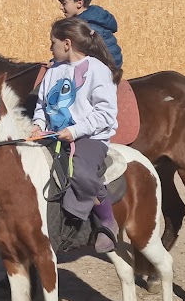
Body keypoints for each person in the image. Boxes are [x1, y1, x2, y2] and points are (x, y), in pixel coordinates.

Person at [30, 17, 122, 253]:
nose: (51, 47)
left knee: (81, 173)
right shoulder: (54, 70)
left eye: (53, 42)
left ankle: (107, 220)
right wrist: (38, 124)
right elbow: (42, 104)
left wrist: (75, 130)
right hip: (53, 134)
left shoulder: (97, 71)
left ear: (67, 44)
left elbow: (106, 113)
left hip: (89, 137)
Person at [57, 0, 123, 68]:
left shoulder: (86, 27)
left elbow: (79, 54)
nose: (61, 7)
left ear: (79, 3)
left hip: (106, 68)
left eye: (64, 3)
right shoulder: (90, 19)